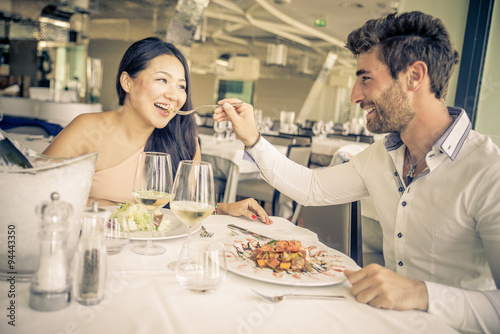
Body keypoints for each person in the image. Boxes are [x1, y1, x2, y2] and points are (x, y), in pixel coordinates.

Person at [214, 11, 500, 333]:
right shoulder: (381, 156)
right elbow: (311, 187)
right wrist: (252, 138)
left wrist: (422, 294)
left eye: (366, 78)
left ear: (414, 76)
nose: (354, 96)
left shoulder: (489, 173)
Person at [43, 37, 271, 224]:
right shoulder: (87, 129)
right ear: (127, 82)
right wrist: (99, 204)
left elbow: (182, 210)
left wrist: (223, 208)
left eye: (181, 86)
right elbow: (36, 190)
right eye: (163, 80)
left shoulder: (185, 142)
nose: (174, 95)